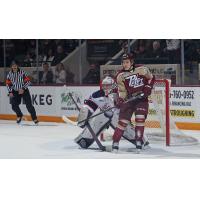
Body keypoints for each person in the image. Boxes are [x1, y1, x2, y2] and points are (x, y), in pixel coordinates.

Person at [74, 76, 149, 149]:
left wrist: (124, 105)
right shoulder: (97, 95)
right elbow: (89, 105)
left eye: (108, 85)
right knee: (96, 120)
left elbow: (130, 103)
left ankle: (141, 140)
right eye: (104, 86)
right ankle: (84, 140)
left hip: (119, 116)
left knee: (124, 125)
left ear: (113, 86)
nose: (105, 87)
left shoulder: (121, 93)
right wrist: (84, 116)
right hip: (105, 115)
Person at [112, 53, 155, 152]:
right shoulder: (120, 75)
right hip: (130, 101)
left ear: (132, 62)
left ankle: (139, 142)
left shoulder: (142, 69)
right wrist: (121, 100)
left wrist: (148, 87)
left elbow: (151, 78)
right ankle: (115, 142)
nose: (125, 64)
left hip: (141, 100)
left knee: (140, 120)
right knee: (122, 123)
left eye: (127, 62)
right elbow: (122, 92)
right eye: (123, 62)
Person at [6, 60, 39, 124]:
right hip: (15, 91)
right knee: (13, 105)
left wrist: (23, 88)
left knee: (29, 106)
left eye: (15, 65)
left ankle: (34, 118)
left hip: (24, 90)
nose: (14, 67)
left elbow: (28, 81)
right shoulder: (9, 74)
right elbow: (8, 84)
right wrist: (10, 92)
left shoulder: (22, 73)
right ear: (11, 67)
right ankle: (19, 115)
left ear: (17, 66)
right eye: (13, 66)